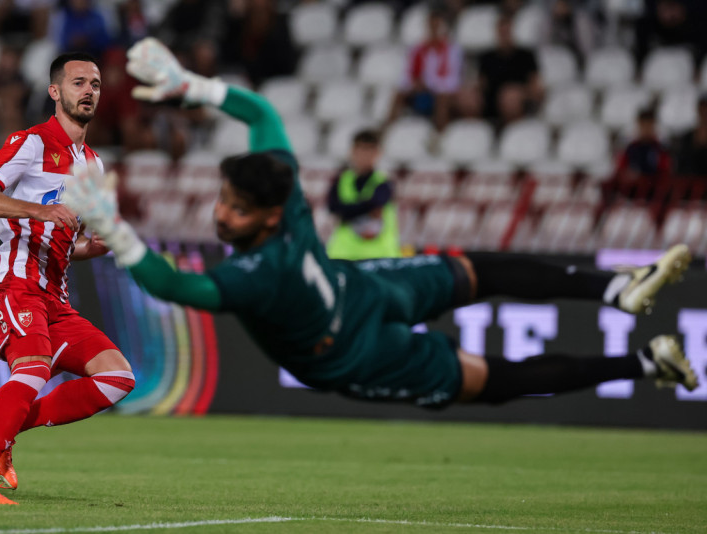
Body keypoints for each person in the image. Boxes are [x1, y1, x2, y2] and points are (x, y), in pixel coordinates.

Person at [65, 38, 697, 435]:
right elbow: (260, 113)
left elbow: (176, 285)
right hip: (356, 320)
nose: (221, 215)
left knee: (488, 324)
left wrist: (117, 227)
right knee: (489, 332)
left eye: (234, 208)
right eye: (224, 200)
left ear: (268, 217)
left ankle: (627, 315)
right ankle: (634, 337)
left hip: (356, 324)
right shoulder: (284, 203)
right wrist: (195, 90)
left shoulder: (259, 269)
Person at [0, 52, 136, 505]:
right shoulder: (31, 142)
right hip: (14, 280)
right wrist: (38, 210)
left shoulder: (92, 164)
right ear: (55, 91)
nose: (89, 90)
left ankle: (4, 425)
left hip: (55, 295)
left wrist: (89, 248)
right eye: (78, 82)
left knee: (117, 377)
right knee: (33, 369)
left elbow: (61, 238)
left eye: (95, 84)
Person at [325, 128, 401, 261]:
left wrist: (346, 211)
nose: (364, 156)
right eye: (361, 150)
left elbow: (375, 203)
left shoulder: (384, 182)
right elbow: (333, 208)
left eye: (369, 150)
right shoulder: (341, 180)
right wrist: (365, 208)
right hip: (344, 255)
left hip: (379, 256)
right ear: (352, 152)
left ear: (377, 153)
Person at [385, 6, 463, 131]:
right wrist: (414, 84)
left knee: (442, 99)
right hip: (421, 90)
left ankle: (440, 133)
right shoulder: (418, 49)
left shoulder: (452, 50)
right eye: (431, 26)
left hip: (440, 91)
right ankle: (388, 129)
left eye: (436, 26)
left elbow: (453, 80)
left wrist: (429, 84)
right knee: (398, 93)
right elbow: (407, 75)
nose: (433, 30)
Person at [478, 14, 543, 126]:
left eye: (507, 32)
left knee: (510, 97)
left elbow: (535, 86)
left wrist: (519, 93)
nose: (504, 36)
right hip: (492, 102)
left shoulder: (526, 56)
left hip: (519, 100)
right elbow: (482, 86)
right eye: (502, 32)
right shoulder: (487, 58)